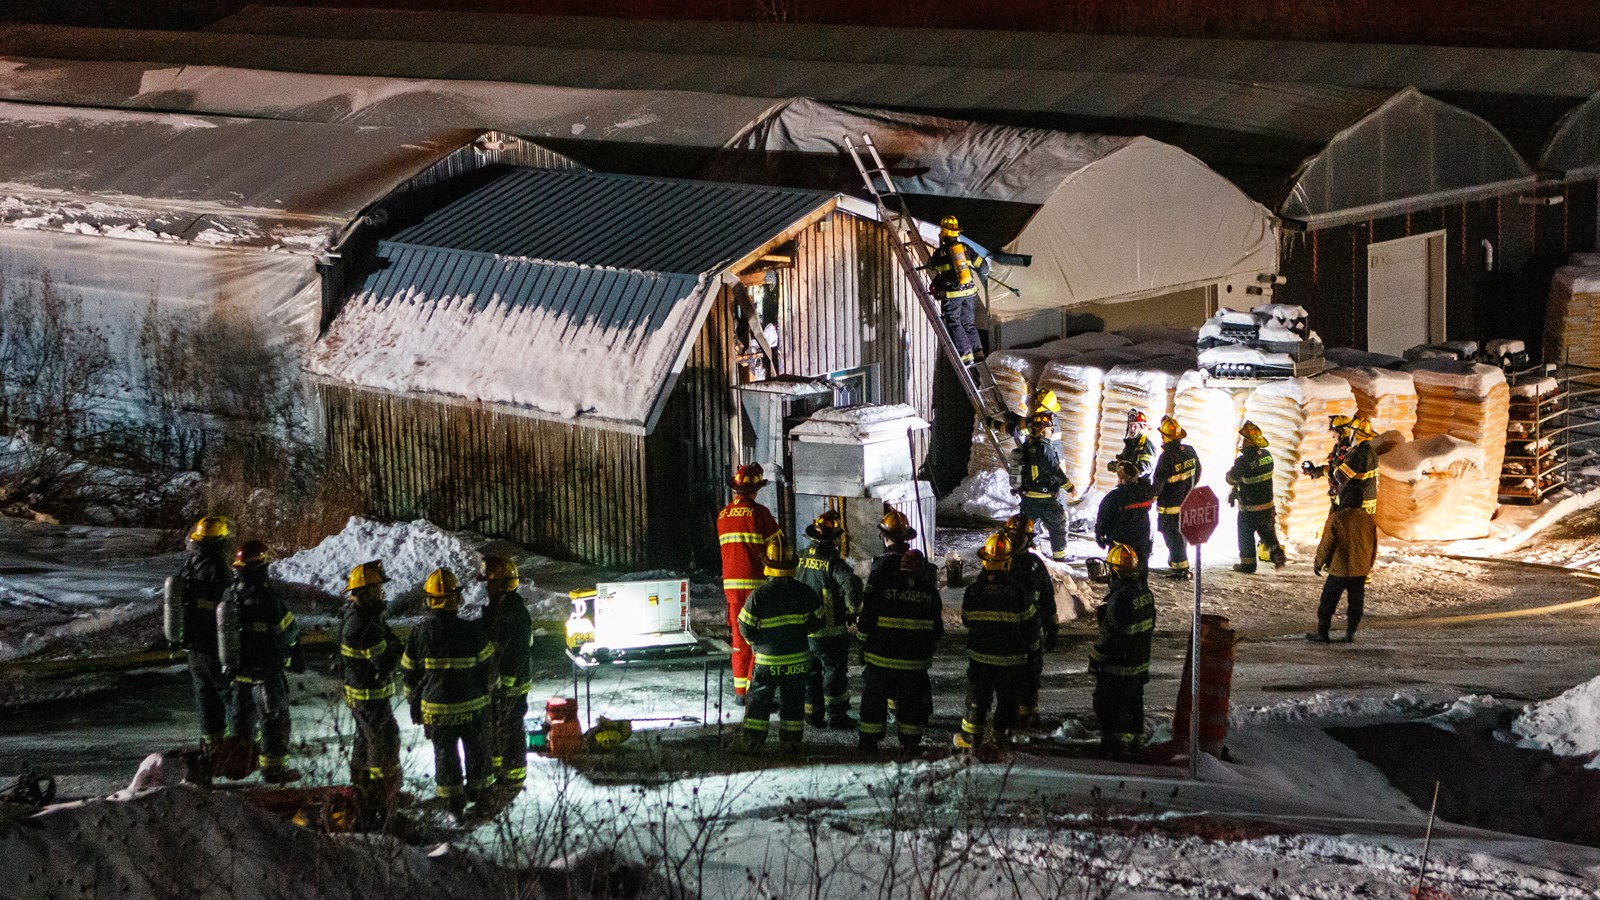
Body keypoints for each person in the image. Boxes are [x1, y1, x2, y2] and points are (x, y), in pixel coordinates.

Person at [402, 568, 495, 819]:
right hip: (472, 707)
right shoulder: (471, 630)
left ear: (429, 601)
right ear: (456, 599)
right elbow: (488, 666)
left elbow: (409, 672)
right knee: (476, 751)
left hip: (437, 711)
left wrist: (414, 701)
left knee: (445, 757)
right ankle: (479, 796)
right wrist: (487, 694)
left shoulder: (419, 633)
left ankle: (454, 805)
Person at [736, 534, 826, 755]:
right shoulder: (805, 592)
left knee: (758, 700)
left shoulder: (759, 596)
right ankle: (792, 743)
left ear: (767, 565)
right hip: (797, 660)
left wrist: (757, 642)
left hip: (767, 661)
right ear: (792, 565)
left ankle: (753, 743)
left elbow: (745, 627)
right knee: (794, 701)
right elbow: (819, 621)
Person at [225, 539, 302, 784]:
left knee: (241, 723)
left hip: (238, 674)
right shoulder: (268, 599)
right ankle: (273, 770)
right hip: (265, 674)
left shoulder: (231, 595)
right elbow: (288, 629)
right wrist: (295, 652)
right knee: (273, 721)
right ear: (261, 568)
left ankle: (239, 765)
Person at [957, 533, 1038, 752]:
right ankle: (1001, 736)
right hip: (1011, 659)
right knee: (1008, 700)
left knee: (977, 697)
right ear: (1008, 561)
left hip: (980, 657)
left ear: (985, 560)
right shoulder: (1020, 592)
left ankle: (971, 738)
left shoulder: (973, 591)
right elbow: (1031, 626)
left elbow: (966, 620)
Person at [856, 548, 943, 752]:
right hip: (914, 663)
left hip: (880, 659)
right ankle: (910, 743)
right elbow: (937, 630)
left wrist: (862, 644)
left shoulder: (882, 587)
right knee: (911, 702)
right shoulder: (929, 592)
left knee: (874, 700)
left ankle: (869, 742)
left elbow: (866, 620)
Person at [339, 560, 402, 816]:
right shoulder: (363, 624)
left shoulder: (362, 616)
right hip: (369, 696)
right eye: (376, 590)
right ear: (364, 592)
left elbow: (389, 643)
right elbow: (386, 660)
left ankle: (364, 788)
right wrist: (394, 649)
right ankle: (382, 795)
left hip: (363, 694)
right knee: (385, 740)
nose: (381, 594)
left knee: (365, 742)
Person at [718, 462, 781, 703]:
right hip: (757, 585)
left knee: (739, 638)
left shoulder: (722, 515)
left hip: (732, 588)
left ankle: (740, 692)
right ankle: (756, 691)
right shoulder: (760, 513)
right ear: (754, 491)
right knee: (759, 638)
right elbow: (778, 547)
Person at [171, 515, 235, 746]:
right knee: (230, 695)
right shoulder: (217, 569)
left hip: (193, 646)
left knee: (206, 696)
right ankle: (240, 749)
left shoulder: (190, 564)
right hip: (215, 645)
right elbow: (230, 605)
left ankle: (212, 746)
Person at [1088, 542, 1155, 758]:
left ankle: (1115, 745)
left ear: (1116, 571)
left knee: (1107, 703)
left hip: (1118, 665)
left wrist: (1096, 659)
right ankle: (1135, 741)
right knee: (1134, 702)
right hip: (1138, 663)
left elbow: (1110, 634)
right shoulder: (1144, 592)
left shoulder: (1118, 600)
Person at [797, 511, 863, 730]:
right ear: (833, 538)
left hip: (805, 630)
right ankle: (836, 716)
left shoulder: (799, 557)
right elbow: (852, 585)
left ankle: (812, 714)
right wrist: (853, 609)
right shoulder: (833, 562)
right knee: (834, 672)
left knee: (811, 673)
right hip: (830, 630)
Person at [481, 556, 533, 793]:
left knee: (510, 728)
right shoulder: (501, 609)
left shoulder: (513, 613)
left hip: (512, 684)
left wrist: (505, 684)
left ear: (501, 585)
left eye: (490, 583)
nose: (486, 587)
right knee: (500, 727)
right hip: (503, 684)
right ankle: (501, 773)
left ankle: (513, 778)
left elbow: (516, 652)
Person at [1004, 514, 1058, 730]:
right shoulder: (997, 561)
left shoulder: (1034, 565)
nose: (1016, 540)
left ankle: (1028, 714)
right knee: (1006, 677)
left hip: (1030, 631)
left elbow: (1046, 596)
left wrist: (1051, 625)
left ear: (1029, 538)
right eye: (1012, 535)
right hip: (1005, 632)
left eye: (1020, 536)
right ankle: (1006, 716)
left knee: (1031, 673)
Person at [924, 215, 991, 365]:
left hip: (953, 294)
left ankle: (966, 356)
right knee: (968, 323)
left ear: (943, 232)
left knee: (954, 322)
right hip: (970, 292)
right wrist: (983, 273)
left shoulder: (941, 253)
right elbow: (983, 267)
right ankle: (978, 352)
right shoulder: (966, 249)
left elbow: (933, 266)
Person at [1309, 506, 1378, 643]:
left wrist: (1318, 563)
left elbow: (1326, 544)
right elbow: (1374, 543)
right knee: (1356, 602)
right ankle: (1350, 633)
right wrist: (1369, 563)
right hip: (1360, 570)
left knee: (1327, 601)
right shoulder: (1368, 519)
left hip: (1340, 568)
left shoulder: (1337, 518)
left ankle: (1322, 633)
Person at [1226, 421, 1286, 574]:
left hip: (1249, 509)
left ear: (1249, 442)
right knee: (1268, 533)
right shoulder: (1267, 456)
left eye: (1244, 439)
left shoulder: (1243, 461)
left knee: (1245, 535)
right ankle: (1277, 554)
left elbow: (1231, 478)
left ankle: (1248, 564)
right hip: (1267, 506)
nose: (1242, 442)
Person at [1013, 415, 1073, 562]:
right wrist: (1070, 487)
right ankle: (1060, 554)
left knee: (1032, 527)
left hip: (1027, 497)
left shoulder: (1028, 445)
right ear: (1043, 429)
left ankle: (1035, 554)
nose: (1051, 430)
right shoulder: (1044, 447)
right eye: (1049, 427)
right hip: (1044, 497)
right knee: (1058, 524)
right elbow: (1055, 470)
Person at [1152, 416, 1201, 580]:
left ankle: (1181, 568)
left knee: (1172, 536)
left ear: (1166, 437)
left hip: (1170, 506)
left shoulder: (1166, 457)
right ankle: (1176, 563)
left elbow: (1158, 483)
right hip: (1187, 503)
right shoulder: (1190, 451)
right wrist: (1189, 488)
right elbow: (1198, 471)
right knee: (1180, 535)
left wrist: (1151, 497)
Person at [1095, 460, 1157, 585]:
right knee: (1141, 574)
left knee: (1119, 576)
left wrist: (1099, 535)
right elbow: (1149, 487)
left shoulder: (1113, 498)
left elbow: (1103, 519)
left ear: (1120, 479)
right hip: (1142, 543)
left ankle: (1120, 598)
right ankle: (1141, 592)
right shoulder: (1145, 493)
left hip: (1120, 545)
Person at [1330, 417, 1380, 514]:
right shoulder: (1370, 451)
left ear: (1355, 435)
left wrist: (1338, 462)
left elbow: (1340, 476)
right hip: (1368, 505)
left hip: (1355, 506)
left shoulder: (1359, 454)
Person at [1110, 410, 1157, 484]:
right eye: (1130, 425)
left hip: (1141, 487)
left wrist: (1124, 470)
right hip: (1128, 485)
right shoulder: (1130, 443)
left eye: (1135, 426)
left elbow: (1145, 468)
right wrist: (1116, 465)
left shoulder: (1147, 445)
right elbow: (1125, 460)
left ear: (1142, 427)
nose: (1132, 429)